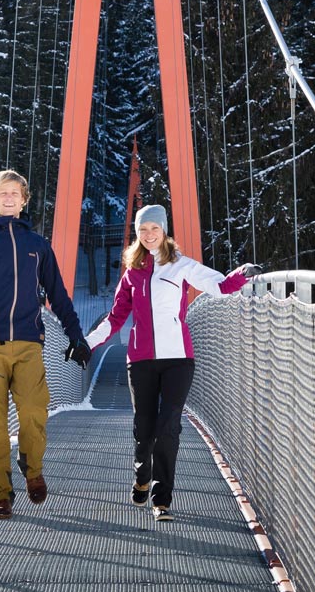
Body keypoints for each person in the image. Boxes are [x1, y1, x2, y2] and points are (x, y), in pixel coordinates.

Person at [84, 205, 258, 521]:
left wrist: (241, 275)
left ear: (164, 231)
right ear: (137, 234)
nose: (149, 234)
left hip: (178, 359)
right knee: (144, 429)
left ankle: (162, 499)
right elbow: (115, 317)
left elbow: (219, 286)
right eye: (142, 230)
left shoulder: (181, 266)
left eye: (154, 228)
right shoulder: (132, 274)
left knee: (169, 427)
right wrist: (87, 344)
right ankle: (142, 475)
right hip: (141, 361)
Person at [0, 170, 92, 520]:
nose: (9, 198)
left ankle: (32, 468)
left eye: (15, 193)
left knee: (33, 413)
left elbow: (58, 294)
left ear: (23, 199)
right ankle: (0, 494)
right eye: (2, 193)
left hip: (29, 344)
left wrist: (76, 336)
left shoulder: (37, 245)